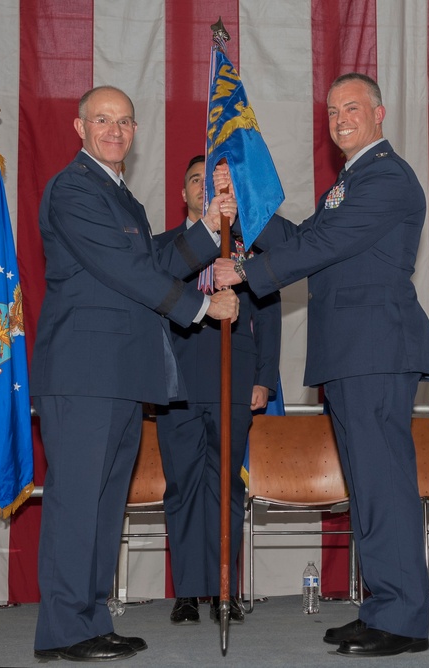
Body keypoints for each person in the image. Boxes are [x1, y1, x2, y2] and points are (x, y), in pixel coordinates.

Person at [213, 72, 429, 658]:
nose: (340, 117)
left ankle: (404, 619)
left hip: (375, 348)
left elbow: (324, 247)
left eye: (352, 107)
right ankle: (383, 606)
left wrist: (247, 271)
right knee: (366, 486)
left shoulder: (388, 175)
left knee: (384, 483)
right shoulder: (350, 181)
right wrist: (248, 213)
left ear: (380, 113)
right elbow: (307, 234)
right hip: (350, 351)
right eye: (333, 109)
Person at [30, 86, 239, 662]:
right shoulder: (74, 188)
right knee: (77, 504)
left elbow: (153, 264)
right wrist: (200, 307)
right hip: (84, 373)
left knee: (101, 507)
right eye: (103, 120)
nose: (114, 131)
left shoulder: (121, 196)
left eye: (124, 121)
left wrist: (205, 227)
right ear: (80, 128)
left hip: (120, 375)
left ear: (136, 130)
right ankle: (65, 631)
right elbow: (126, 272)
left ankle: (90, 620)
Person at [153, 155, 281, 625]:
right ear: (184, 192)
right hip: (178, 382)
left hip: (235, 379)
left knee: (226, 486)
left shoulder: (247, 249)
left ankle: (225, 590)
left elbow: (267, 315)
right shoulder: (163, 248)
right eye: (194, 181)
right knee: (183, 486)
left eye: (211, 182)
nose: (202, 188)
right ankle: (189, 592)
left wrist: (265, 378)